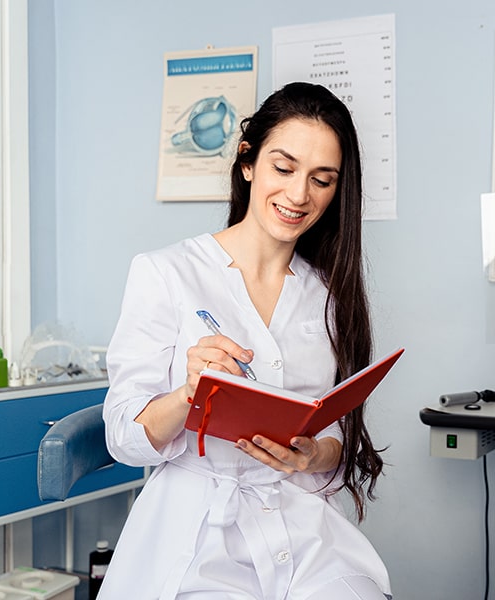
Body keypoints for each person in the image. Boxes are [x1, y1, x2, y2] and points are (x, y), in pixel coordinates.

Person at [100, 82, 391, 599]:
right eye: (284, 168)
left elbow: (342, 441)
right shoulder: (165, 273)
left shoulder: (328, 295)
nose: (300, 195)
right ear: (248, 162)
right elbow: (124, 439)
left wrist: (312, 454)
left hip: (304, 532)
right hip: (198, 535)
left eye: (322, 180)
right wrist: (188, 393)